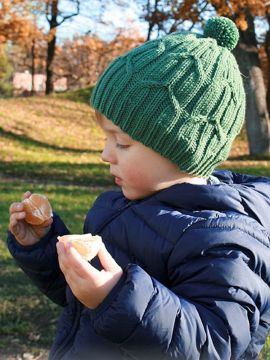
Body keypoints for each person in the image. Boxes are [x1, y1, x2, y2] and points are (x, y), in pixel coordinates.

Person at [7, 16, 270, 360]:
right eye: (106, 138)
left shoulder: (220, 239)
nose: (104, 154)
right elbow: (82, 298)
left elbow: (214, 343)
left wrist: (115, 295)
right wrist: (44, 246)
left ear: (181, 150)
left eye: (122, 142)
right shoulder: (117, 207)